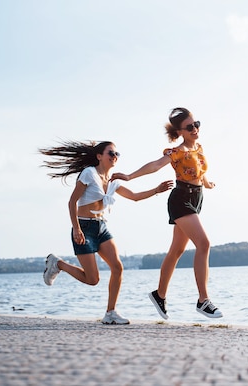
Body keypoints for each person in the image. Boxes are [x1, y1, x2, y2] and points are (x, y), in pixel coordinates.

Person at [39, 140, 173, 324]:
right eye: (111, 153)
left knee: (117, 267)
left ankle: (110, 312)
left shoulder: (113, 181)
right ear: (99, 156)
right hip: (84, 227)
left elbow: (134, 197)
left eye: (117, 154)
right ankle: (58, 264)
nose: (114, 157)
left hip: (101, 227)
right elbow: (72, 202)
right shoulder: (89, 174)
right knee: (92, 279)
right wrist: (77, 229)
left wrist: (156, 190)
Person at [111, 107, 223, 319]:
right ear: (179, 132)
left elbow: (201, 170)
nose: (195, 129)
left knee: (177, 251)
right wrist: (129, 176)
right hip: (181, 200)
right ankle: (203, 300)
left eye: (196, 124)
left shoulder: (198, 148)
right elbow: (155, 166)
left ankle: (159, 294)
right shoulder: (176, 152)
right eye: (189, 127)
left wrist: (207, 183)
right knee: (204, 244)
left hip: (196, 198)